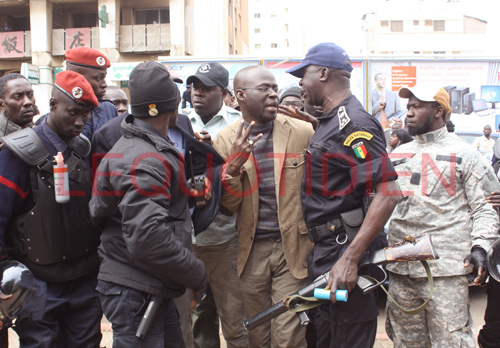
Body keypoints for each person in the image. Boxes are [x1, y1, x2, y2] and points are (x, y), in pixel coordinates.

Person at [286, 42, 399, 348]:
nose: (299, 83)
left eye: (303, 74)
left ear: (322, 73)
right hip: (327, 253)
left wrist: (350, 259)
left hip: (345, 253)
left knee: (346, 337)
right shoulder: (331, 122)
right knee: (326, 336)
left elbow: (388, 193)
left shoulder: (356, 124)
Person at [89, 61, 209, 347]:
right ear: (173, 107)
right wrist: (197, 274)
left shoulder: (137, 144)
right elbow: (147, 237)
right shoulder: (145, 159)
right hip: (135, 289)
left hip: (148, 284)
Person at [386, 86, 500, 348]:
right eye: (408, 107)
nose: (409, 113)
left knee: (451, 341)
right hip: (401, 266)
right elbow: (381, 207)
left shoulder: (465, 154)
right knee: (405, 342)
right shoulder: (398, 154)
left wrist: (481, 245)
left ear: (439, 111)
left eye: (417, 107)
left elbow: (486, 207)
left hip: (444, 271)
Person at [213, 65, 314, 347]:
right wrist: (232, 167)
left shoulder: (302, 131)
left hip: (293, 248)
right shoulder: (225, 140)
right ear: (240, 96)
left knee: (288, 336)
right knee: (258, 333)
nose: (273, 94)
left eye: (274, 88)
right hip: (250, 251)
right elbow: (228, 207)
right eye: (264, 89)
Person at [0, 70, 102, 347]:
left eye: (86, 114)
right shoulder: (17, 153)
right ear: (53, 105)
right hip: (38, 283)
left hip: (84, 280)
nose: (81, 121)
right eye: (74, 112)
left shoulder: (83, 149)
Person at [185, 62, 248, 348]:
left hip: (225, 239)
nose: (197, 93)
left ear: (224, 92)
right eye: (194, 87)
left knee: (235, 319)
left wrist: (215, 153)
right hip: (189, 241)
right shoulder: (179, 122)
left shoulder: (239, 125)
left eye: (206, 88)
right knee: (199, 319)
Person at [64, 46, 118, 140]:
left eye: (104, 78)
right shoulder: (58, 117)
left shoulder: (109, 109)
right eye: (98, 78)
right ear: (76, 78)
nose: (104, 84)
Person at [0, 73, 36, 142]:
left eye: (30, 95)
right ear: (1, 105)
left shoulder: (43, 133)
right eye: (17, 97)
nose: (28, 102)